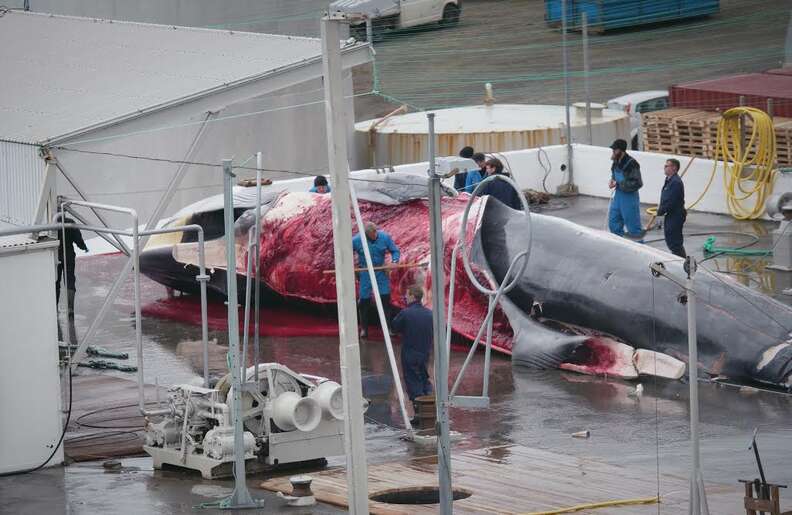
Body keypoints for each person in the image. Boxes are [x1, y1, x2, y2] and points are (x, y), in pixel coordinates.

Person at [352, 222, 400, 338]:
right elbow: (346, 251)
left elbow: (395, 251)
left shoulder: (384, 237)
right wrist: (354, 266)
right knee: (364, 301)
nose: (375, 236)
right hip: (365, 271)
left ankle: (388, 328)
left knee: (385, 299)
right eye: (372, 235)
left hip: (380, 271)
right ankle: (364, 329)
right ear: (366, 234)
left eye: (376, 233)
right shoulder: (356, 240)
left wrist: (394, 262)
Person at [391, 284, 433, 415]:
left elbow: (394, 327)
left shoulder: (405, 313)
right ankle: (429, 409)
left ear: (413, 296)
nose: (405, 297)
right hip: (424, 352)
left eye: (407, 294)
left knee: (413, 382)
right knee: (424, 378)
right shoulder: (429, 314)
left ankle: (420, 414)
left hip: (410, 353)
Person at [607, 139, 644, 241]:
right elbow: (614, 175)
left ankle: (640, 250)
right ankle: (623, 244)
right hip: (618, 196)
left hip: (629, 198)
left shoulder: (632, 164)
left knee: (634, 229)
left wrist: (619, 183)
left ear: (621, 150)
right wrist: (612, 180)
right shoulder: (615, 161)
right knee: (613, 224)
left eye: (615, 150)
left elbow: (638, 183)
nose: (613, 152)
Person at [54, 214, 88, 317]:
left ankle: (55, 307)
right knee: (70, 280)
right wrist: (84, 247)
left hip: (56, 255)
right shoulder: (70, 222)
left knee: (56, 281)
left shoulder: (51, 223)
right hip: (68, 255)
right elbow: (78, 239)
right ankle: (70, 308)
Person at [656, 158, 687, 258]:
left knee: (674, 242)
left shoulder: (676, 182)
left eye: (666, 166)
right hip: (670, 214)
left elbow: (671, 201)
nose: (664, 168)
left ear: (674, 168)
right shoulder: (669, 180)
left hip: (676, 215)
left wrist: (660, 211)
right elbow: (666, 198)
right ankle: (678, 259)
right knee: (670, 239)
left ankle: (682, 262)